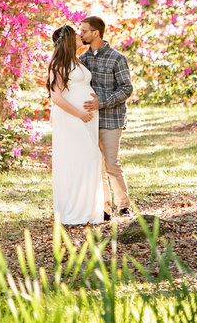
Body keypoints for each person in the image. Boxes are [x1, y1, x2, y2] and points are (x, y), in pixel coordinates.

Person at [47, 24, 105, 226]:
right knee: (88, 158)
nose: (81, 36)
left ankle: (87, 211)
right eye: (76, 34)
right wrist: (79, 113)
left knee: (85, 161)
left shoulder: (75, 60)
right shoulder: (59, 63)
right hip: (72, 118)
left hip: (86, 118)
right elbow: (56, 96)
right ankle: (74, 210)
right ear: (69, 40)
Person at [79, 15, 134, 220]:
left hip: (112, 119)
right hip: (90, 121)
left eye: (84, 31)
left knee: (111, 164)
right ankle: (104, 207)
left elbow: (126, 89)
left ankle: (123, 205)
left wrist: (102, 102)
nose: (81, 34)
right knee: (97, 166)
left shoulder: (117, 58)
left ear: (96, 33)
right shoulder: (82, 59)